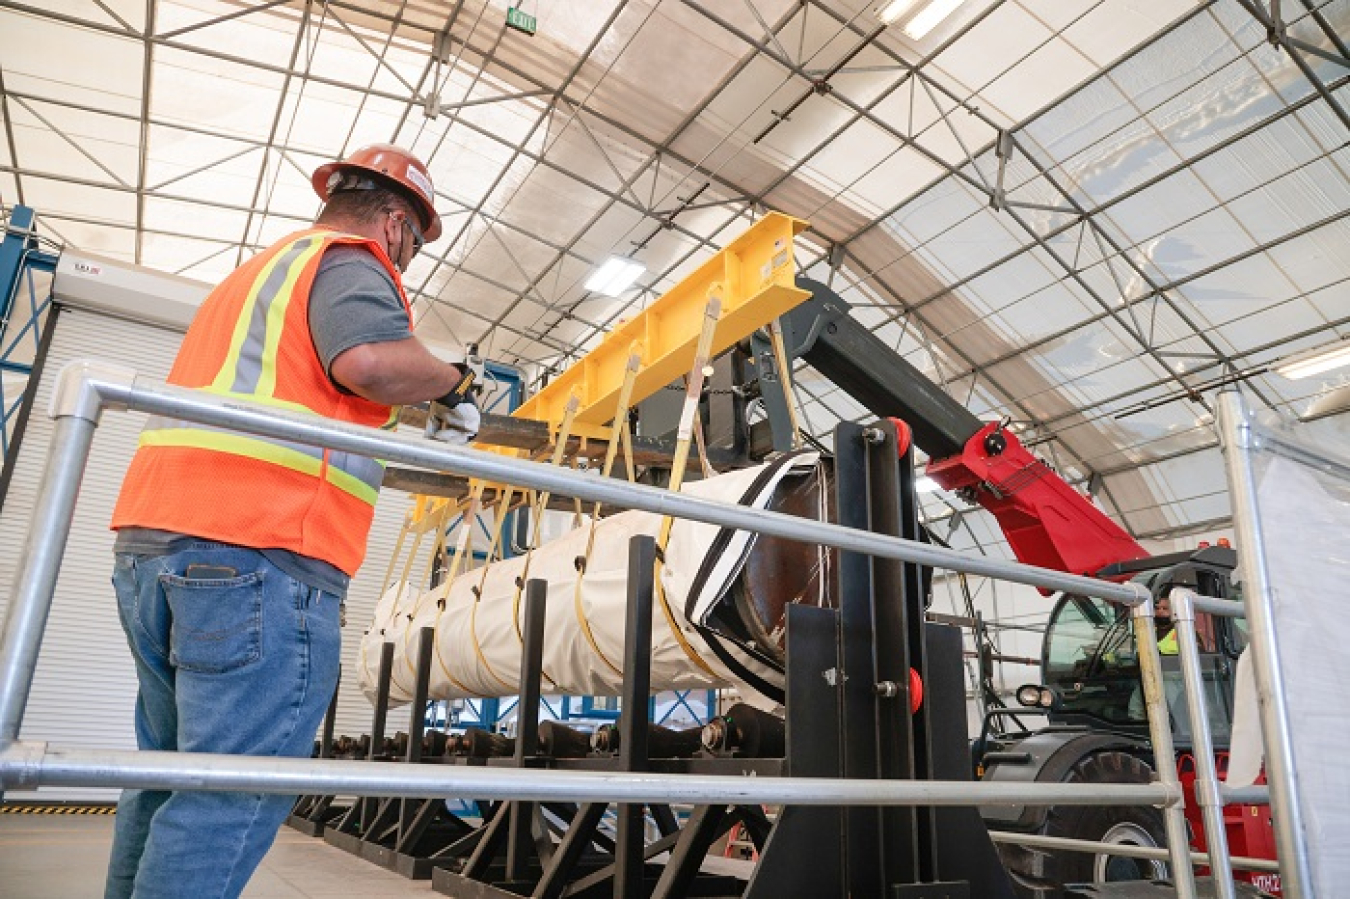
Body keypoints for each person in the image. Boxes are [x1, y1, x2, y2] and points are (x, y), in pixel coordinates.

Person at [104, 144, 477, 899]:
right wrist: (452, 382)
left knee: (168, 778)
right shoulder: (350, 260)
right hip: (258, 555)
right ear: (396, 223)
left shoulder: (256, 278)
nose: (405, 264)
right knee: (229, 794)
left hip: (155, 545)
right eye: (411, 247)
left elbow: (315, 390)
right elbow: (369, 362)